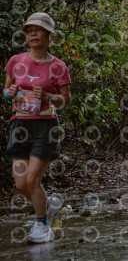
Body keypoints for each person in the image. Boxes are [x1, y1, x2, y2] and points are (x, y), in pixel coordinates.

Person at [3, 13, 71, 244]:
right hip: (20, 125)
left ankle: (42, 225)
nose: (32, 34)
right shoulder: (16, 61)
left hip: (45, 126)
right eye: (28, 31)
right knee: (21, 184)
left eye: (38, 30)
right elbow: (5, 91)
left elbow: (66, 99)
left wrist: (49, 97)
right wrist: (9, 93)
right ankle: (47, 205)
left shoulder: (58, 66)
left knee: (33, 180)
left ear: (49, 35)